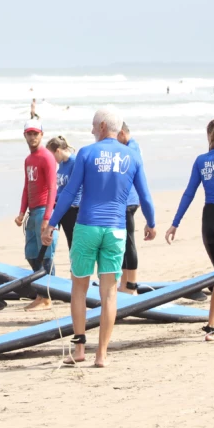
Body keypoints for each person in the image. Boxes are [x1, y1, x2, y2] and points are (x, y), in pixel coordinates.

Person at [43, 109, 156, 367]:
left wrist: (52, 222)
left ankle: (80, 348)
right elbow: (145, 196)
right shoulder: (132, 156)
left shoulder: (86, 153)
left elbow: (70, 192)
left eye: (94, 126)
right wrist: (151, 222)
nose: (92, 130)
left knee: (79, 289)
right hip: (116, 230)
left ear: (103, 126)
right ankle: (102, 354)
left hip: (87, 227)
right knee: (109, 294)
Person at [164, 117, 214, 340]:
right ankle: (212, 328)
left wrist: (175, 223)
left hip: (208, 221)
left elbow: (189, 193)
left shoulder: (201, 161)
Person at [16, 120, 59, 311]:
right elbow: (27, 187)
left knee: (46, 256)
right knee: (31, 254)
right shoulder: (28, 159)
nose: (32, 137)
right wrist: (21, 212)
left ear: (42, 135)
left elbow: (52, 188)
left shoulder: (46, 157)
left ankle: (47, 297)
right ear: (24, 135)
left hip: (44, 210)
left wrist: (48, 218)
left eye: (35, 133)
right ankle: (42, 293)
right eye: (29, 134)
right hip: (32, 213)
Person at [116, 122, 143, 294]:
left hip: (129, 201)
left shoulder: (131, 149)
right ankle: (124, 283)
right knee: (124, 243)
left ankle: (131, 285)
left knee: (129, 241)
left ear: (121, 133)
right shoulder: (129, 146)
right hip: (126, 200)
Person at [46, 136, 81, 249]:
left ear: (58, 151)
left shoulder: (75, 162)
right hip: (61, 206)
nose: (51, 159)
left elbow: (73, 190)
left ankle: (75, 266)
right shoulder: (61, 163)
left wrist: (54, 198)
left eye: (52, 155)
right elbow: (61, 187)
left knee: (73, 242)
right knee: (48, 238)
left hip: (73, 208)